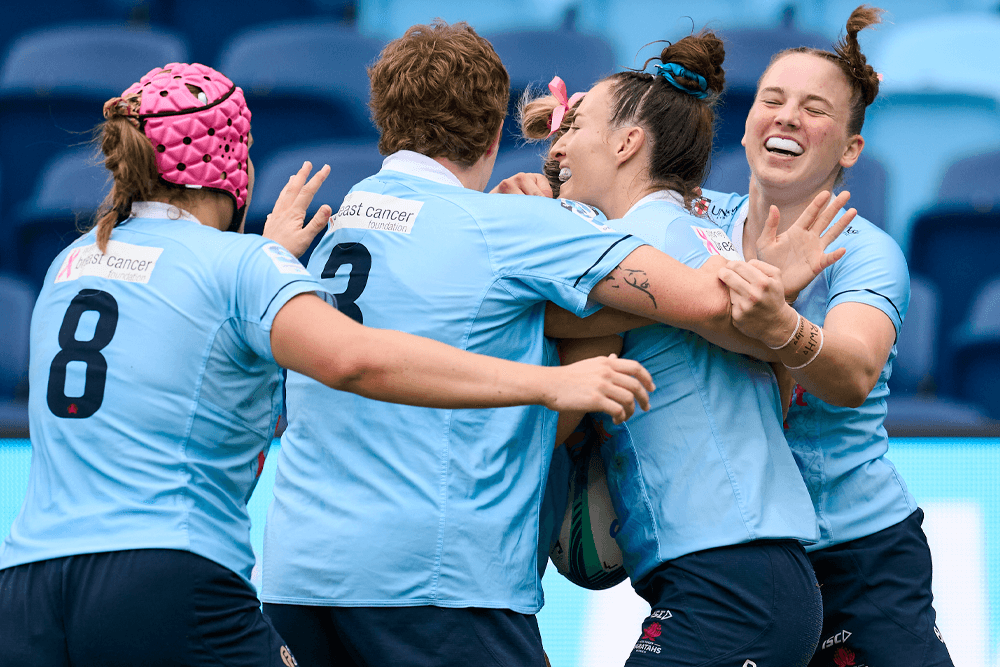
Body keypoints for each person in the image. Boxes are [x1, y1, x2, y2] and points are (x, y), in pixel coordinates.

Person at [0, 62, 658, 667]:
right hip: (166, 574)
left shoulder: (68, 264)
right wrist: (551, 382)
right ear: (236, 168)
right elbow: (353, 358)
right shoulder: (242, 266)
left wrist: (272, 262)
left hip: (25, 587)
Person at [261, 20, 853, 667]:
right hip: (433, 583)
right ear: (492, 134)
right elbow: (705, 309)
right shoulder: (525, 228)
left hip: (300, 573)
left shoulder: (340, 227)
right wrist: (774, 290)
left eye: (574, 127)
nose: (555, 145)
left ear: (383, 117)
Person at [517, 31, 853, 665]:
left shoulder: (638, 239)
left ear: (626, 143)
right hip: (745, 569)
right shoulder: (705, 235)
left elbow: (534, 316)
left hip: (730, 577)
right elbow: (776, 384)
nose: (558, 146)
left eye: (577, 124)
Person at [704, 6, 955, 666]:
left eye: (813, 108)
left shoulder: (869, 254)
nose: (785, 116)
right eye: (772, 100)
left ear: (849, 149)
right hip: (736, 560)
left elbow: (850, 374)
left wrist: (779, 324)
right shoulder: (700, 229)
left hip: (858, 555)